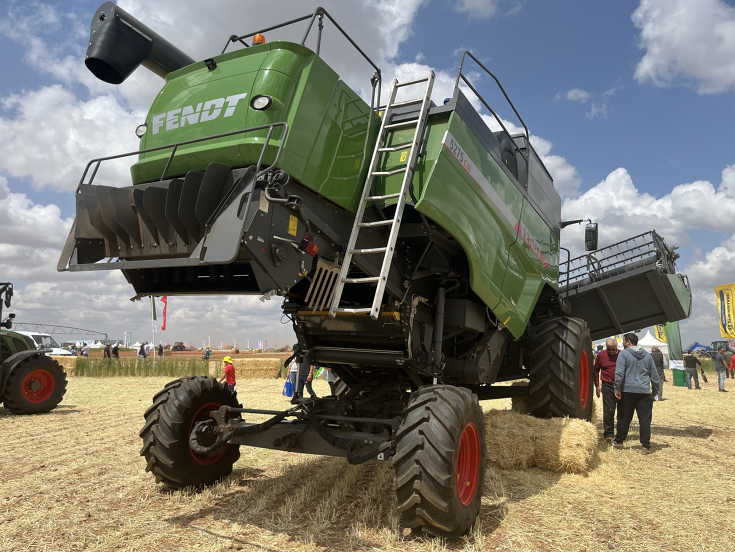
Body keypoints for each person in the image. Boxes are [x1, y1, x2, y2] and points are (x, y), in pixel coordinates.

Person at [612, 333, 660, 454]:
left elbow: (619, 373)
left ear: (628, 342)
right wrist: (655, 390)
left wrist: (617, 388)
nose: (622, 343)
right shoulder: (647, 356)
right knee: (644, 419)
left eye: (623, 341)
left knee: (624, 417)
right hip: (644, 391)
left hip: (627, 391)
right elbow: (654, 375)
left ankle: (619, 441)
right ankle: (645, 446)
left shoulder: (623, 354)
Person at [594, 337, 620, 443]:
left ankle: (621, 433)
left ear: (617, 347)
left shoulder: (622, 355)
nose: (611, 352)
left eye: (613, 349)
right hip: (607, 386)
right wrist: (597, 386)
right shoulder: (601, 355)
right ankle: (609, 434)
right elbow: (595, 370)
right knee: (609, 410)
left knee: (622, 411)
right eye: (609, 349)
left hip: (621, 386)